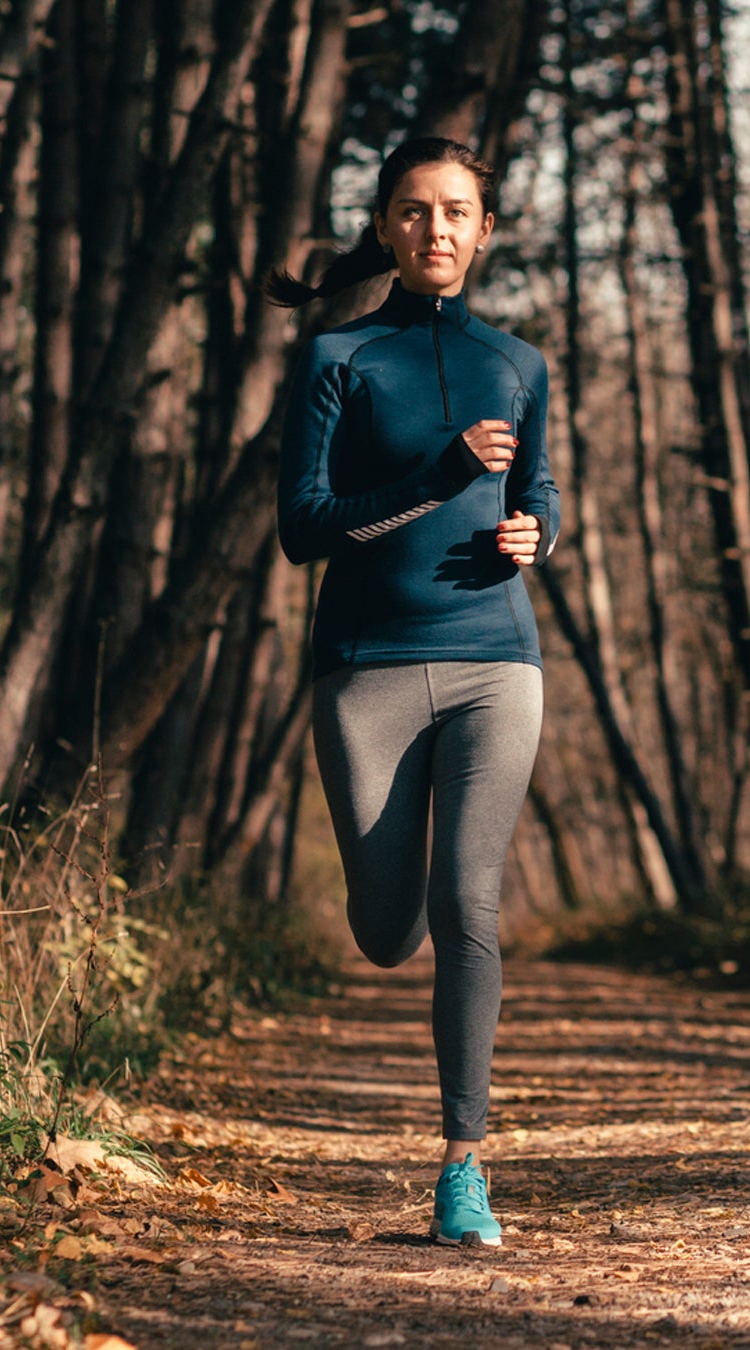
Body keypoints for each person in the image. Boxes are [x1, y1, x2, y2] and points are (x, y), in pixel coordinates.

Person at [268, 137, 558, 1248]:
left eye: (456, 211)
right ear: (386, 227)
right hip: (367, 669)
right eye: (414, 210)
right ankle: (382, 924)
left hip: (497, 662)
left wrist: (538, 534)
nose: (436, 228)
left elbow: (538, 486)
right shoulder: (341, 356)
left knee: (467, 906)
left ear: (485, 230)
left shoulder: (519, 364)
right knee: (390, 932)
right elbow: (304, 529)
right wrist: (437, 477)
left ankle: (462, 1168)